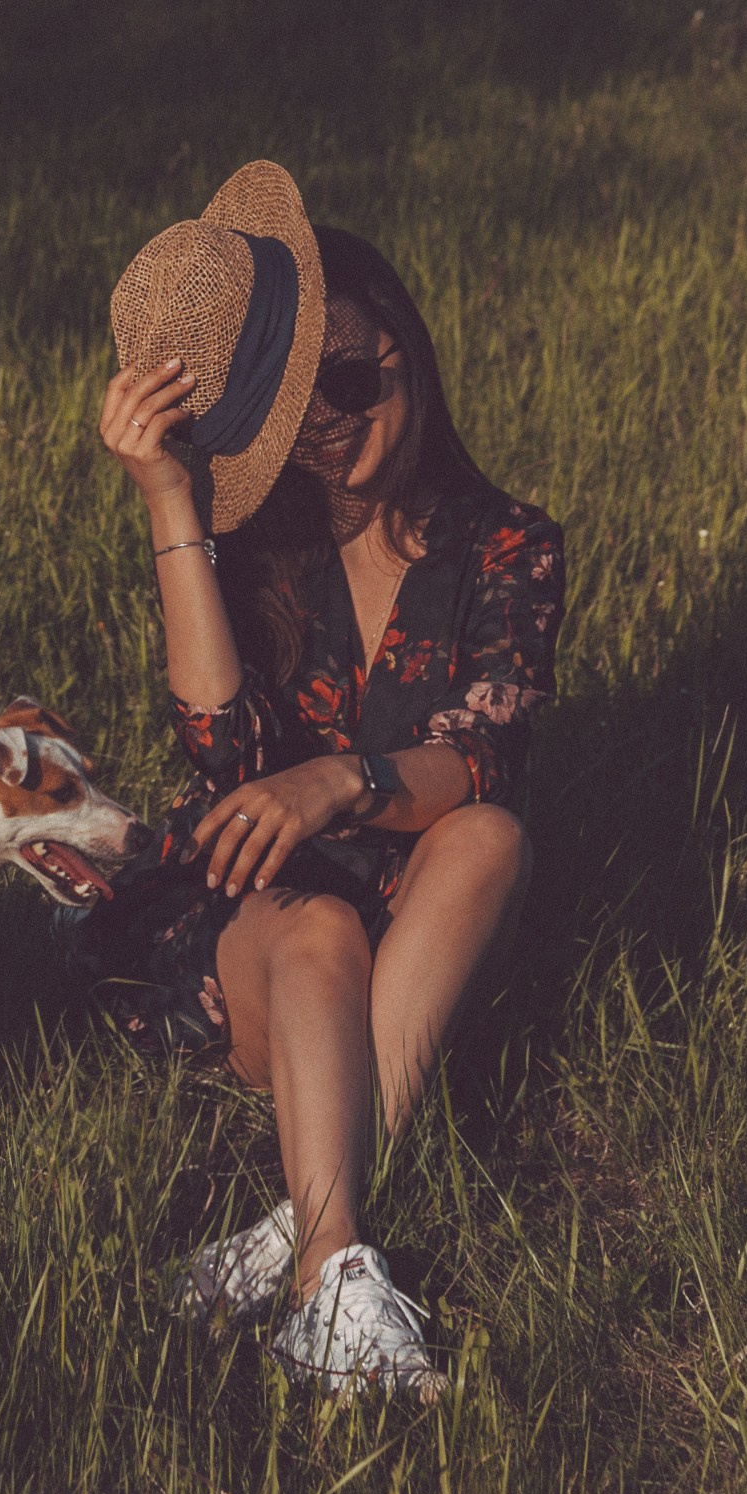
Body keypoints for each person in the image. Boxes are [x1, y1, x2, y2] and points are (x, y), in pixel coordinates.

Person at [90, 160, 564, 1400]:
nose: (330, 430)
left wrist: (341, 783)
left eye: (349, 384)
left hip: (415, 931)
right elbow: (222, 757)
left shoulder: (507, 545)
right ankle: (329, 1265)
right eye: (298, 415)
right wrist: (171, 499)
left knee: (491, 835)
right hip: (266, 928)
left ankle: (305, 1233)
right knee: (318, 928)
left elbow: (487, 748)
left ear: (407, 352)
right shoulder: (263, 543)